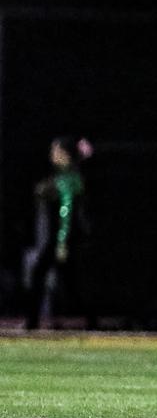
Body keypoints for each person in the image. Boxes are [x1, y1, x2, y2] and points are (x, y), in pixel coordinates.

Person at [24, 137, 95, 331]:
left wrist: (62, 242)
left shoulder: (68, 177)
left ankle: (32, 322)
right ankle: (91, 320)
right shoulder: (65, 175)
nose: (51, 155)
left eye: (55, 151)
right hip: (64, 237)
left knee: (42, 275)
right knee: (72, 283)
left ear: (64, 154)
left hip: (64, 237)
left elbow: (67, 210)